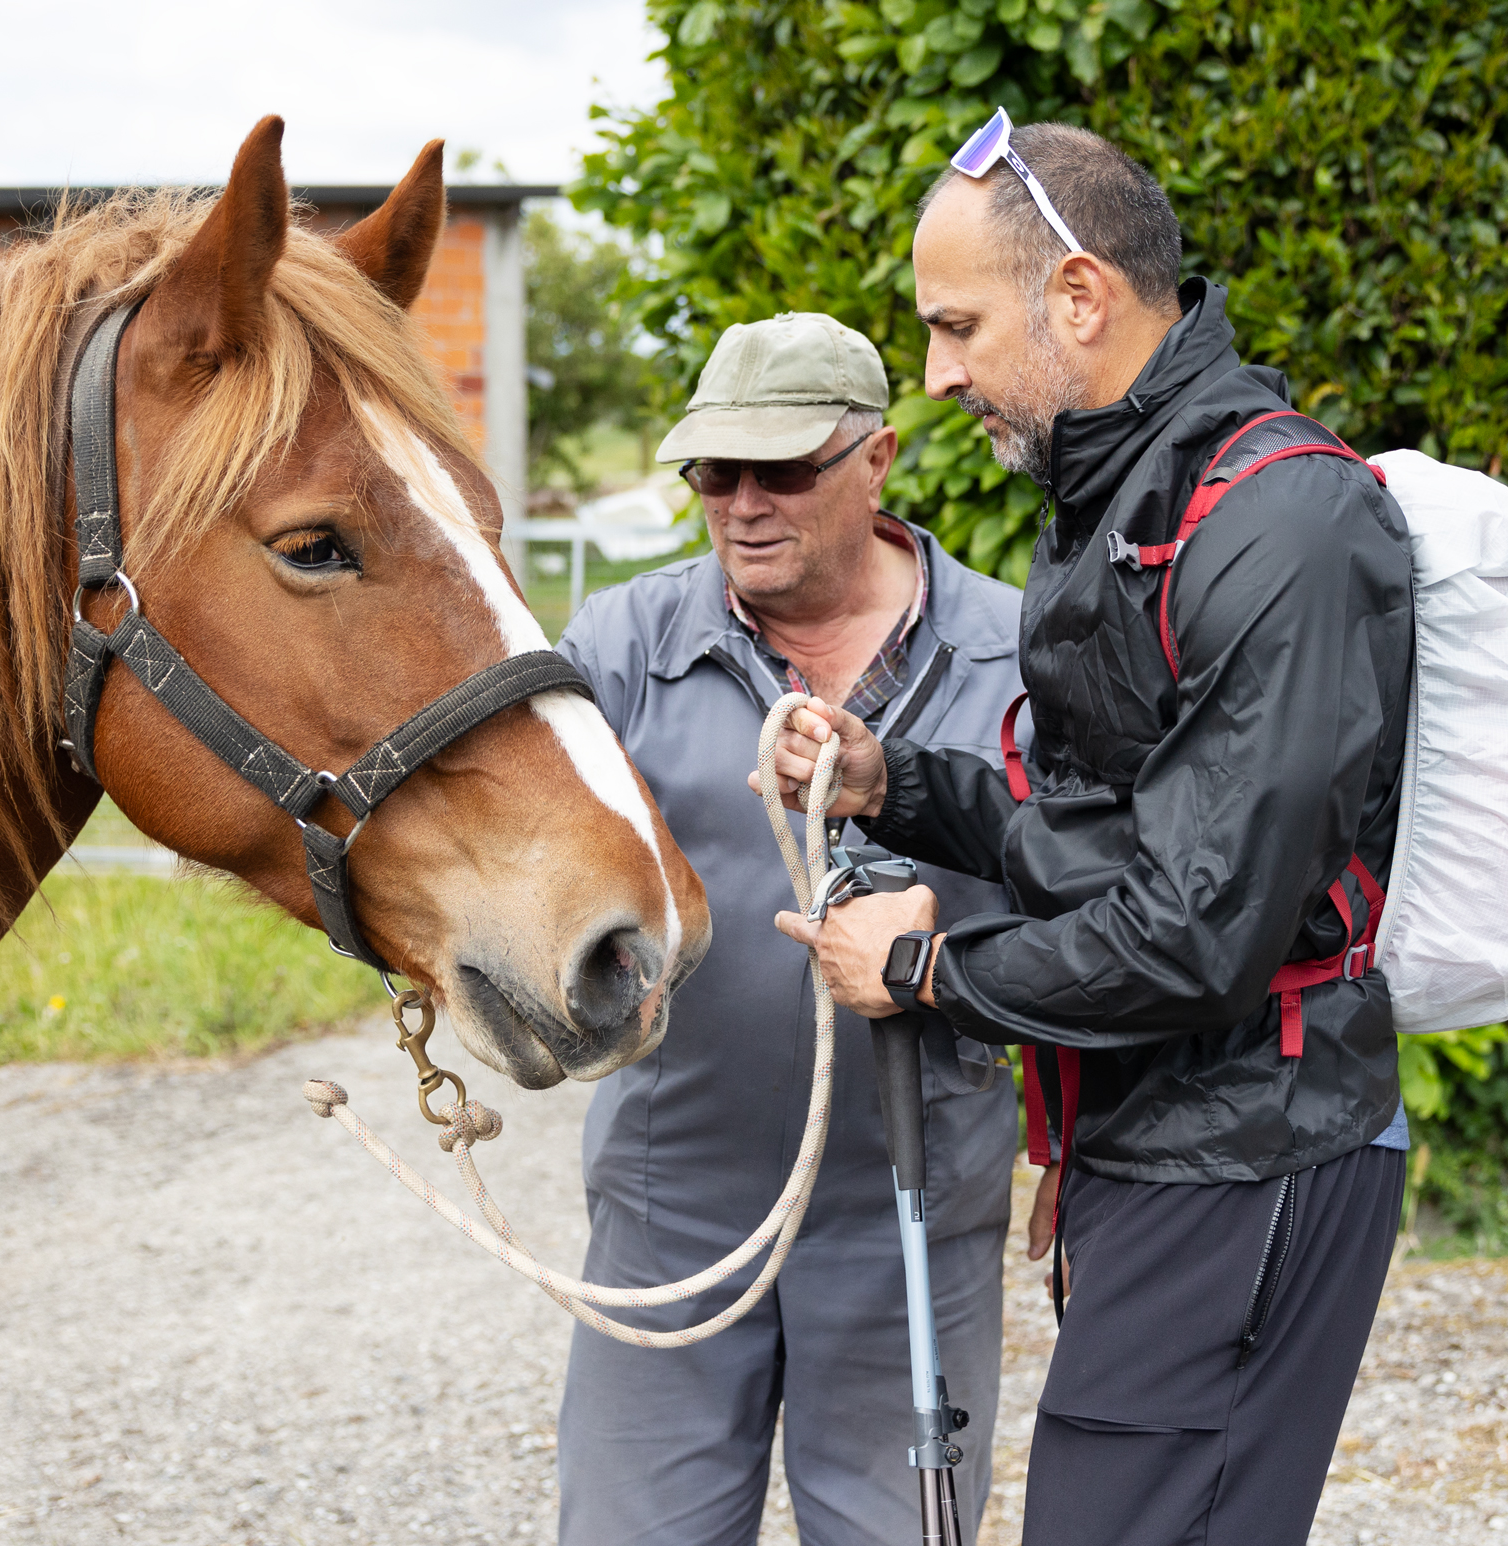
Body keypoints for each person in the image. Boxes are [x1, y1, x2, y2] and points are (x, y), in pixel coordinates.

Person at [763, 122, 1415, 1546]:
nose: (935, 371)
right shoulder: (1120, 495)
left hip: (1249, 1149)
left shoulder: (1282, 523)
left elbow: (1197, 932)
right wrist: (894, 783)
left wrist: (923, 970)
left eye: (955, 326)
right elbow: (1099, 839)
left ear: (1077, 296)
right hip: (1154, 1134)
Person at [552, 311, 1026, 1546]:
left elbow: (1098, 904)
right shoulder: (619, 648)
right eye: (714, 473)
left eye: (781, 471)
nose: (743, 505)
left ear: (876, 460)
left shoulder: (1018, 655)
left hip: (910, 1207)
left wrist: (1078, 1151)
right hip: (672, 1210)